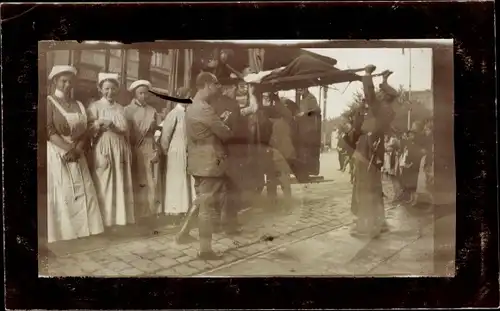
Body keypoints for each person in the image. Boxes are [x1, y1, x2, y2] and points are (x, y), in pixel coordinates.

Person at [175, 72, 233, 260]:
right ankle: (205, 250)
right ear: (208, 85)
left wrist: (218, 121)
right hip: (210, 163)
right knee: (207, 206)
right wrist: (225, 124)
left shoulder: (190, 106)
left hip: (197, 161)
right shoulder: (205, 109)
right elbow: (225, 134)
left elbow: (204, 132)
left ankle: (182, 233)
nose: (217, 88)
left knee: (200, 200)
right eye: (216, 85)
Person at [46, 65, 104, 243]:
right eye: (64, 81)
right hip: (59, 152)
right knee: (64, 191)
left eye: (70, 81)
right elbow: (49, 131)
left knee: (83, 189)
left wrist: (78, 149)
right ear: (56, 81)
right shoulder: (49, 102)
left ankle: (87, 231)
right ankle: (66, 233)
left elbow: (86, 131)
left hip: (78, 152)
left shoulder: (79, 105)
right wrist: (68, 149)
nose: (67, 84)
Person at [350, 68, 398, 238]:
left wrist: (368, 75)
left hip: (366, 152)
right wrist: (384, 80)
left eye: (381, 92)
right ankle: (379, 223)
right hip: (372, 152)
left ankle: (366, 226)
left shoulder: (380, 108)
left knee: (365, 188)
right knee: (374, 188)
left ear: (385, 97)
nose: (378, 94)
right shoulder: (387, 110)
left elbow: (370, 94)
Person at [87, 73, 135, 232]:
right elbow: (89, 131)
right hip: (104, 146)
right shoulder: (94, 107)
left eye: (113, 89)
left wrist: (113, 126)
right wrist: (98, 124)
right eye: (106, 88)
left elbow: (125, 130)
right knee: (105, 182)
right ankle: (105, 222)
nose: (110, 92)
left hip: (120, 147)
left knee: (120, 182)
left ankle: (119, 220)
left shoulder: (121, 108)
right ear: (100, 89)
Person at [124, 80, 162, 227]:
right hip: (135, 147)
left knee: (152, 179)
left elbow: (160, 130)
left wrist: (155, 130)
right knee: (139, 180)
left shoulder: (153, 111)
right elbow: (126, 131)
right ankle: (139, 213)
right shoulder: (128, 110)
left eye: (146, 93)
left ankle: (152, 212)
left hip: (150, 145)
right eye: (141, 93)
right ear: (135, 94)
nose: (144, 96)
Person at [160, 87, 193, 222]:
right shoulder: (174, 113)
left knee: (186, 180)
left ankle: (186, 209)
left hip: (187, 150)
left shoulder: (189, 113)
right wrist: (166, 151)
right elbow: (166, 135)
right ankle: (174, 211)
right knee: (177, 180)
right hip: (175, 150)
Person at [264, 93, 296, 208]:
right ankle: (283, 202)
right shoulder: (283, 121)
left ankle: (276, 203)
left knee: (275, 178)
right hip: (280, 153)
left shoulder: (279, 122)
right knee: (280, 179)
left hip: (279, 153)